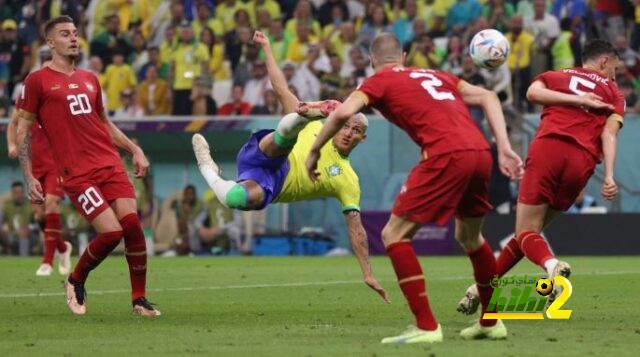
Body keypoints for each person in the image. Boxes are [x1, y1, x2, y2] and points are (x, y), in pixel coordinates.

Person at [306, 33, 523, 343]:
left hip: (446, 154)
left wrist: (314, 150)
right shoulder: (437, 75)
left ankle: (426, 325)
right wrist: (503, 147)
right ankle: (490, 323)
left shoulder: (376, 82)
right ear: (404, 58)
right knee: (470, 237)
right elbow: (489, 96)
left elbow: (342, 112)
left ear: (371, 61)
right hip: (479, 151)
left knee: (393, 234)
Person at [192, 30, 388, 303]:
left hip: (268, 183)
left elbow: (356, 228)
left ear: (362, 138)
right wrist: (268, 48)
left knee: (233, 198)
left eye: (355, 130)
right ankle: (313, 110)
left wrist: (367, 273)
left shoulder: (348, 180)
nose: (347, 132)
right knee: (290, 128)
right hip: (267, 150)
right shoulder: (318, 130)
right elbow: (281, 87)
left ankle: (206, 165)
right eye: (345, 125)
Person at [458, 40, 624, 315]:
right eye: (615, 69)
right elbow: (609, 133)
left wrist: (575, 99)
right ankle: (481, 289)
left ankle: (552, 267)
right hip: (580, 164)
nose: (615, 76)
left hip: (549, 149)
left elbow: (533, 93)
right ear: (604, 62)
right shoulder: (615, 93)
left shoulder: (558, 75)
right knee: (528, 234)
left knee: (526, 232)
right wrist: (609, 175)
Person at [15, 16, 159, 317]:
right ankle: (76, 278)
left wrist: (134, 149)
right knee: (110, 233)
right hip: (77, 174)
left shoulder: (90, 79)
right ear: (50, 42)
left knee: (132, 224)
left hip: (110, 163)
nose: (73, 39)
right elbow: (23, 131)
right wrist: (29, 176)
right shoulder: (37, 81)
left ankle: (139, 299)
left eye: (76, 34)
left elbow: (104, 123)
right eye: (65, 34)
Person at [7, 58, 72, 276]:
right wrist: (12, 144)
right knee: (40, 217)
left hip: (56, 163)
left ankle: (47, 261)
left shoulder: (62, 97)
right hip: (36, 165)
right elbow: (13, 122)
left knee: (52, 204)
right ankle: (63, 248)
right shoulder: (29, 97)